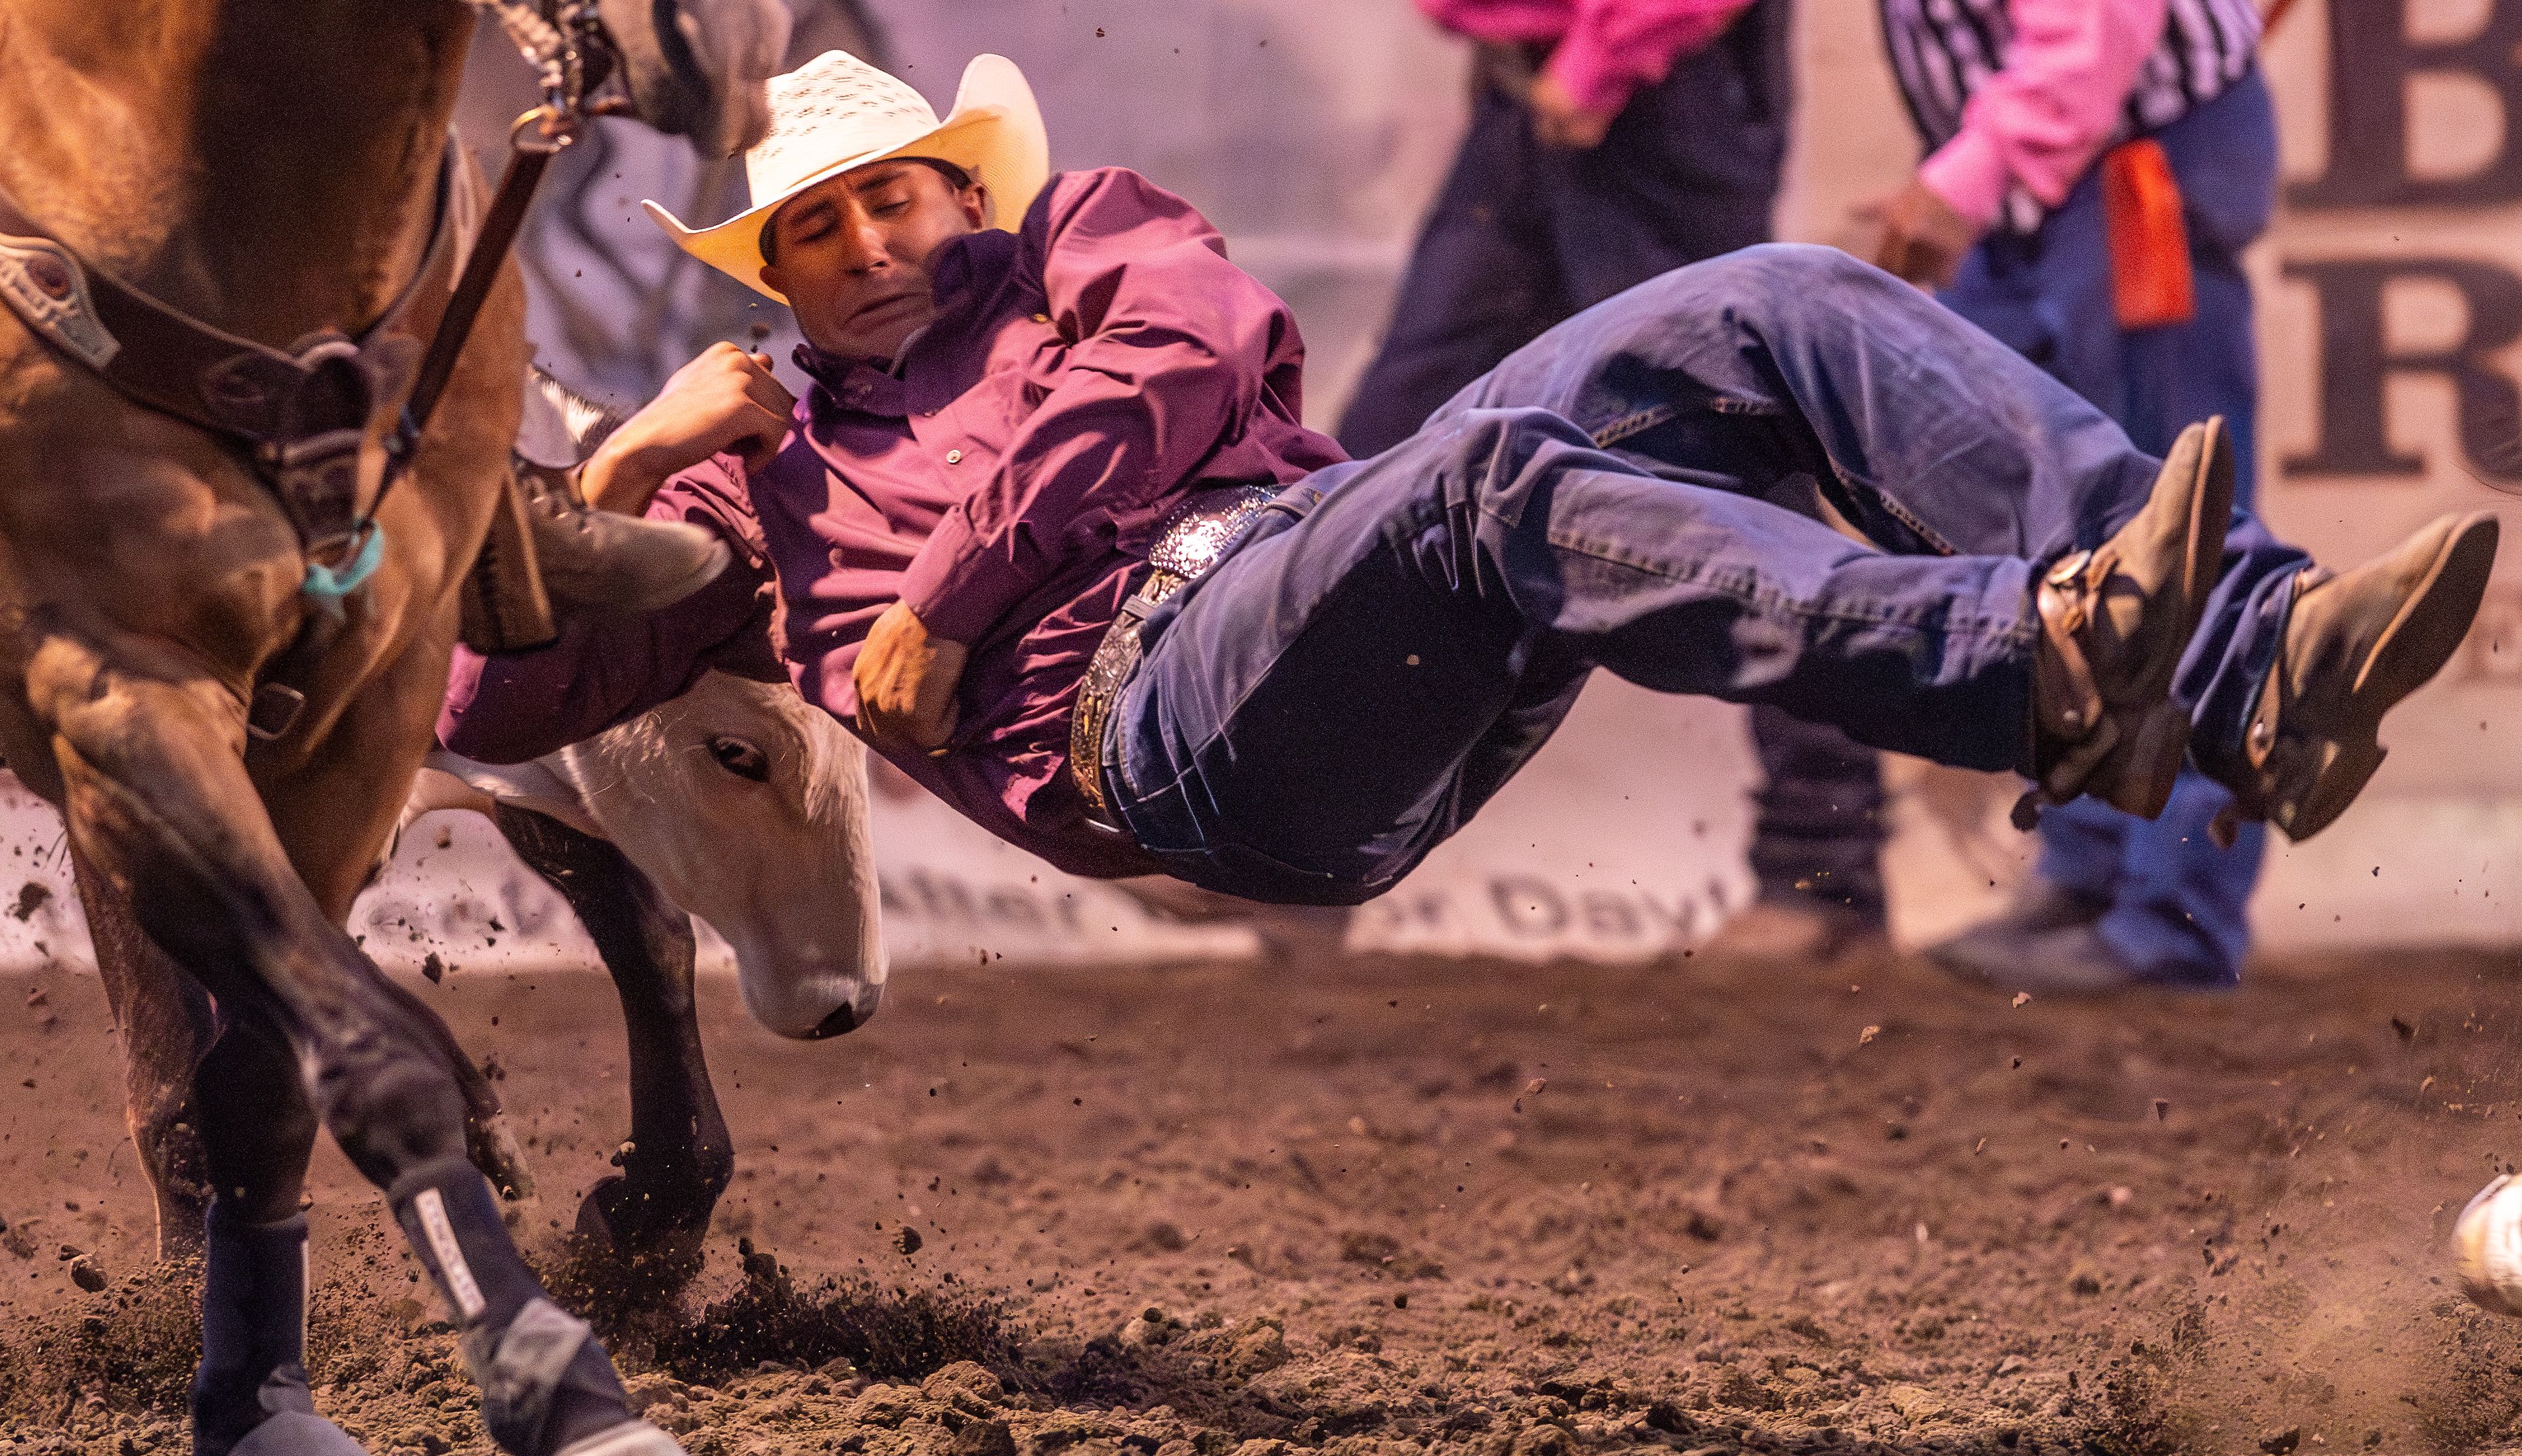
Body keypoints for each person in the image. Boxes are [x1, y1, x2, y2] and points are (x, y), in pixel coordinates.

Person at [439, 51, 2496, 945]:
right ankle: (2044, 670)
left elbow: (1176, 366)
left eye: (893, 194)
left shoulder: (1084, 233)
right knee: (1502, 479)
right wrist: (618, 461)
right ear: (775, 280)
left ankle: (2242, 660)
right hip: (1169, 726)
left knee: (1778, 296)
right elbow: (481, 699)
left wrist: (955, 591)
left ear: (959, 192)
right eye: (814, 230)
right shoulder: (750, 511)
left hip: (1321, 610)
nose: (869, 241)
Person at [1740, 0, 2284, 988]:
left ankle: (2177, 915)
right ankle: (2091, 867)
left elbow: (2099, 26)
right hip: (2052, 166)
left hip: (2122, 154)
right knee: (2051, 534)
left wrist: (1971, 172)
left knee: (2171, 522)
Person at [1335, 0, 1792, 459]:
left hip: (1666, 88)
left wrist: (1604, 55)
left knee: (1705, 422)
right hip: (1528, 89)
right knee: (1404, 412)